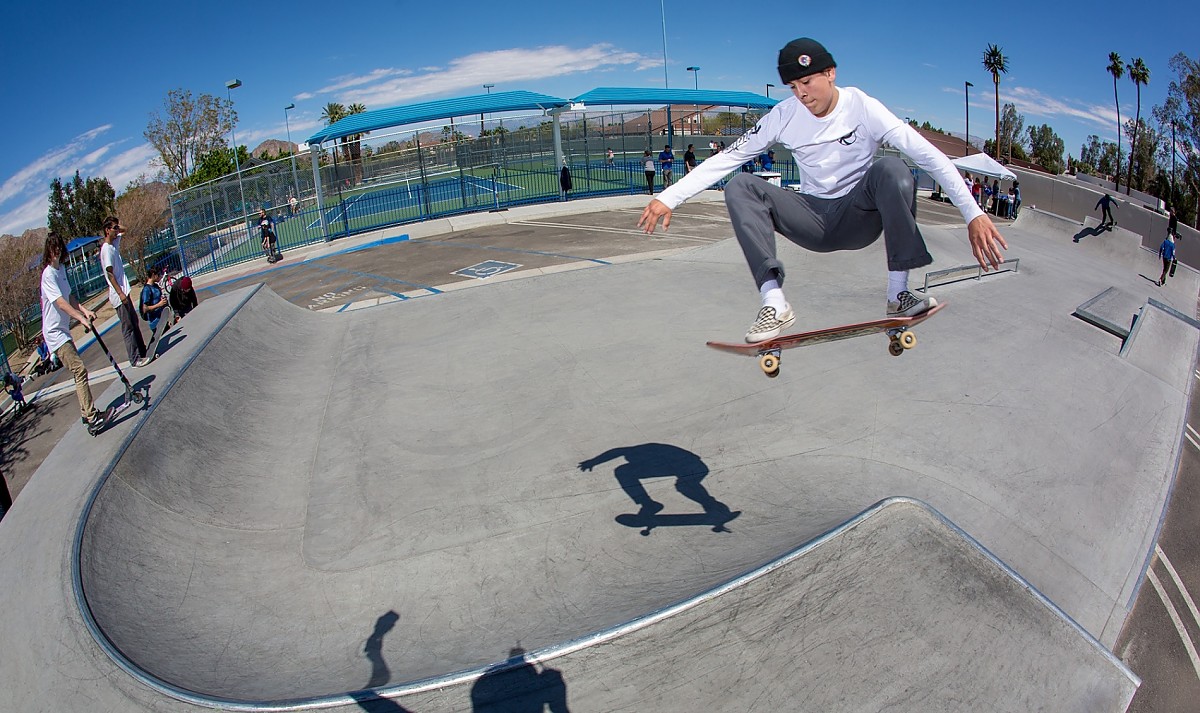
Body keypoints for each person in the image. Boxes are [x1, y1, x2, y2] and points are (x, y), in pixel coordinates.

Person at [637, 36, 1006, 343]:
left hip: (859, 216)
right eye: (794, 87)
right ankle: (774, 303)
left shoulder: (864, 107)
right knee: (741, 185)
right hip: (811, 219)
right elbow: (730, 157)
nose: (802, 94)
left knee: (893, 169)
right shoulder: (783, 115)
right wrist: (669, 197)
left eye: (808, 83)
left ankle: (898, 293)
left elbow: (928, 156)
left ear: (830, 73)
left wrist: (973, 212)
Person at [40, 232, 104, 429]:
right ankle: (91, 417)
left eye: (59, 248)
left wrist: (84, 310)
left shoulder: (62, 270)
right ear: (48, 251)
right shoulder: (48, 274)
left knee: (79, 371)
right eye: (53, 249)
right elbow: (59, 303)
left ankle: (86, 413)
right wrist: (80, 319)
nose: (56, 252)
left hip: (63, 331)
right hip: (54, 334)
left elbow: (69, 297)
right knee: (79, 370)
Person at [99, 216, 148, 367]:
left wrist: (117, 226)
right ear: (107, 230)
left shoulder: (114, 244)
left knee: (134, 322)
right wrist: (120, 293)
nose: (117, 230)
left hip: (124, 292)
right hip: (118, 295)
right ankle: (134, 359)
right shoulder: (106, 250)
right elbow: (110, 274)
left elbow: (125, 230)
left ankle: (143, 351)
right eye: (114, 228)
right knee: (128, 328)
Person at [139, 265, 169, 340]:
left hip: (162, 319)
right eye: (158, 275)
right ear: (153, 275)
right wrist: (159, 304)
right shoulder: (147, 290)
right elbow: (145, 309)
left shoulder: (155, 286)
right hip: (155, 323)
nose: (160, 277)